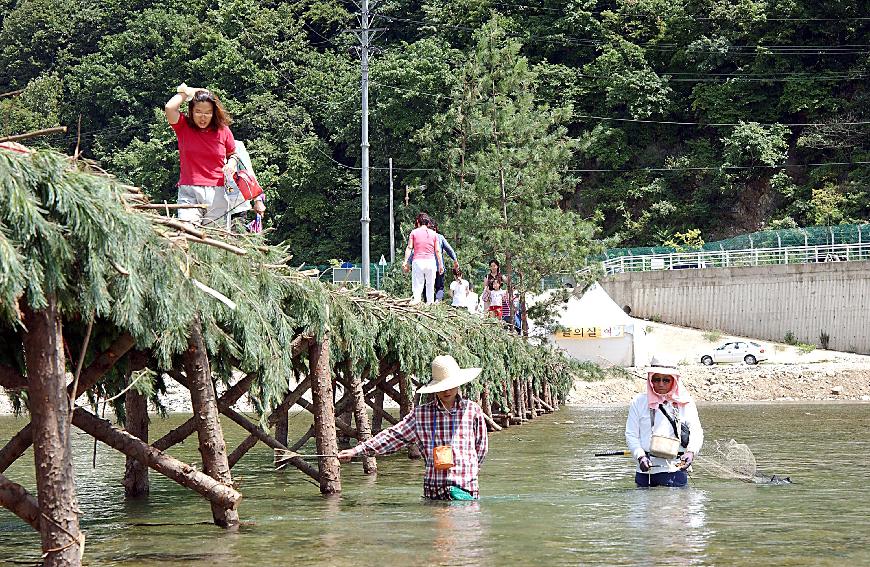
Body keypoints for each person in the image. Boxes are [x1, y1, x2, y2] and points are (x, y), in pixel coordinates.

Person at [338, 355, 489, 500]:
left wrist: (473, 471)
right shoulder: (421, 414)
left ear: (458, 383)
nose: (447, 391)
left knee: (467, 526)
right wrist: (356, 451)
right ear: (435, 387)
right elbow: (392, 437)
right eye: (443, 387)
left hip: (466, 489)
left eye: (450, 386)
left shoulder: (472, 410)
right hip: (435, 490)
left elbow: (481, 448)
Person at [165, 83, 243, 226]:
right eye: (198, 111)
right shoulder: (183, 127)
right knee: (188, 232)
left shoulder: (223, 130)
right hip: (189, 191)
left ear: (214, 113)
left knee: (214, 240)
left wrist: (231, 164)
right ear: (191, 111)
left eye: (208, 112)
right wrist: (189, 92)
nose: (203, 117)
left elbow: (233, 154)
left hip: (218, 192)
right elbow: (170, 107)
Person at [625, 356, 704, 487]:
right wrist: (640, 456)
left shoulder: (686, 403)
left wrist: (691, 452)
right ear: (651, 380)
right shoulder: (638, 402)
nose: (661, 384)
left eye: (666, 380)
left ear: (674, 381)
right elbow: (631, 434)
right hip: (645, 471)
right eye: (656, 379)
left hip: (675, 470)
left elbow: (696, 432)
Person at [403, 213, 444, 304]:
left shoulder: (414, 232)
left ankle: (417, 302)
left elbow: (409, 248)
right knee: (430, 285)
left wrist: (405, 261)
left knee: (417, 286)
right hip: (431, 262)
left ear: (418, 222)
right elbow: (437, 251)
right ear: (428, 223)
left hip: (418, 262)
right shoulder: (434, 234)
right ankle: (430, 304)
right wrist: (440, 265)